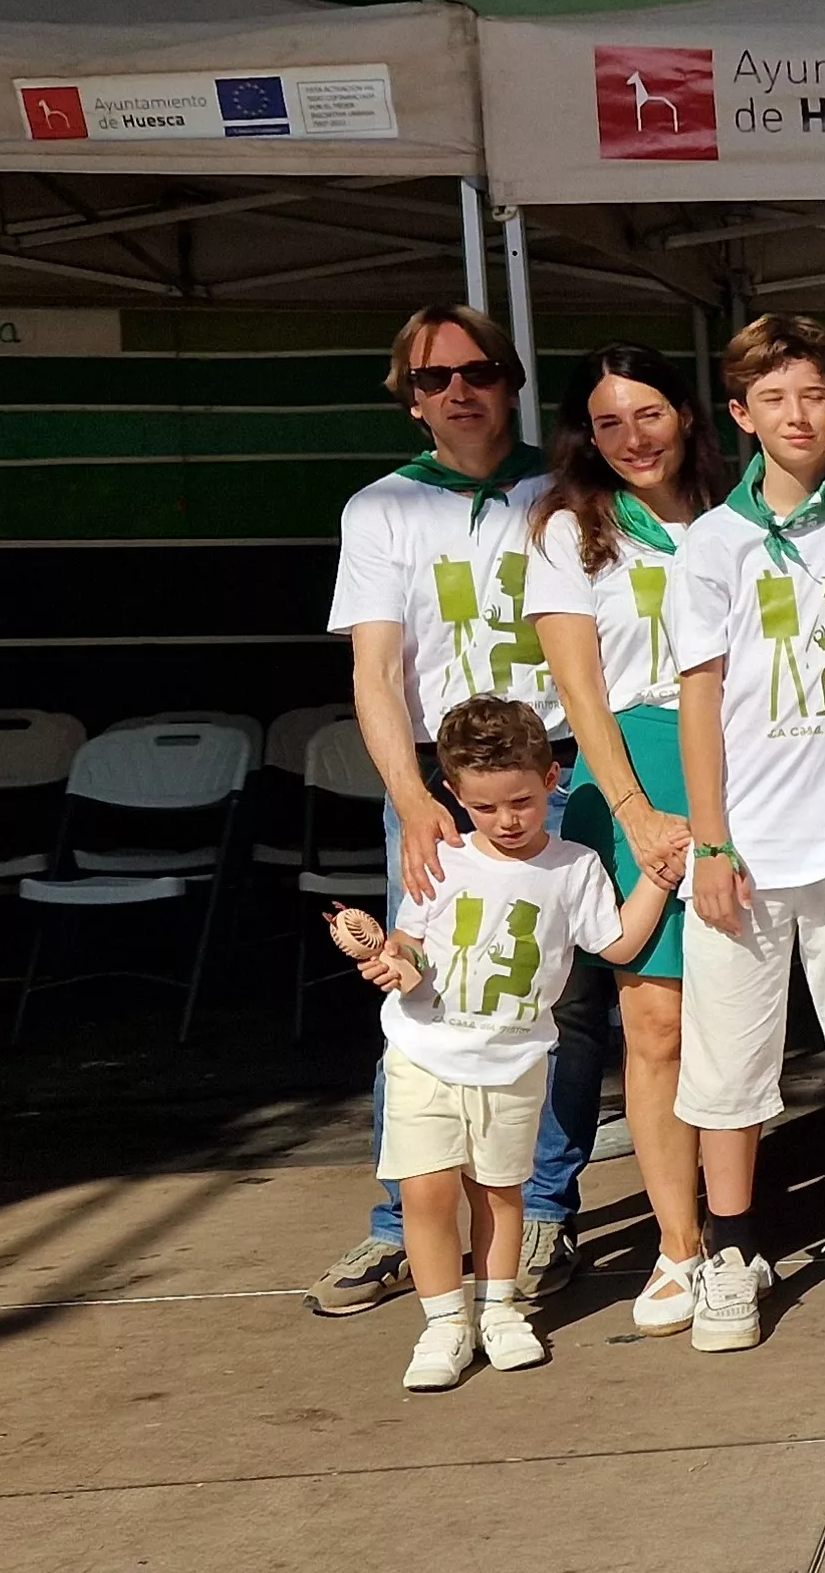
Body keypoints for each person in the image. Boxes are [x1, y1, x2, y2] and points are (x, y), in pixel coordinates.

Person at [313, 303, 614, 1319]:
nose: (458, 391)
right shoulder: (381, 508)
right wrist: (411, 798)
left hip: (560, 768)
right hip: (440, 782)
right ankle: (405, 1222)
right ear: (408, 399)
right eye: (433, 378)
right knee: (423, 989)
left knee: (562, 997)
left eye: (479, 371)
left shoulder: (570, 489)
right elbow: (375, 670)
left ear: (511, 381)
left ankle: (542, 1209)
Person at [670, 315, 825, 1353]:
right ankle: (732, 1247)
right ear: (740, 415)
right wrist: (711, 842)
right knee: (728, 1062)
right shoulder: (710, 542)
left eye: (814, 395)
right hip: (749, 846)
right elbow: (698, 698)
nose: (797, 416)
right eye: (773, 399)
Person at [353, 696, 678, 1390]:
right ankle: (444, 1323)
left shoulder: (574, 866)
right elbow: (411, 940)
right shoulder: (441, 859)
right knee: (426, 1192)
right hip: (423, 1052)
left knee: (501, 1193)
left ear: (551, 779)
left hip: (514, 1062)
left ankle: (498, 1309)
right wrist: (395, 961)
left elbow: (616, 942)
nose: (506, 820)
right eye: (485, 807)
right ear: (454, 795)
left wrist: (657, 879)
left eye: (522, 803)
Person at [524, 343, 716, 1335]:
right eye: (608, 422)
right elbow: (581, 693)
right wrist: (635, 812)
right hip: (632, 773)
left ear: (685, 413)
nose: (633, 438)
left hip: (746, 769)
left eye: (648, 414)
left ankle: (740, 1220)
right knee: (656, 1025)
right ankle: (681, 1248)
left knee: (743, 1017)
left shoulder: (739, 516)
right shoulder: (570, 530)